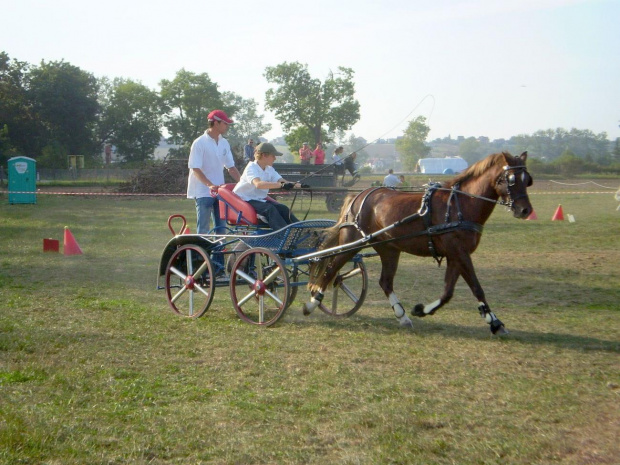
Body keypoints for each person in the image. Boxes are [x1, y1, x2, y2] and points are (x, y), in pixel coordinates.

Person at [187, 109, 241, 235]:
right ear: (216, 123)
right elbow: (195, 168)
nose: (227, 126)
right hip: (202, 192)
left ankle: (218, 255)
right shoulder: (199, 143)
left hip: (220, 192)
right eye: (225, 123)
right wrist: (209, 185)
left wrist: (242, 183)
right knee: (204, 229)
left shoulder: (224, 142)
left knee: (221, 229)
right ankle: (200, 254)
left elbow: (231, 167)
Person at [233, 142, 301, 231]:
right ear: (264, 155)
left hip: (258, 200)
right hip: (244, 200)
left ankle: (301, 230)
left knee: (283, 208)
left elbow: (281, 180)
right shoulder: (251, 167)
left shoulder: (269, 169)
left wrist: (295, 185)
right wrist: (281, 185)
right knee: (270, 209)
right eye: (273, 156)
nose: (275, 158)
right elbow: (258, 184)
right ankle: (283, 234)